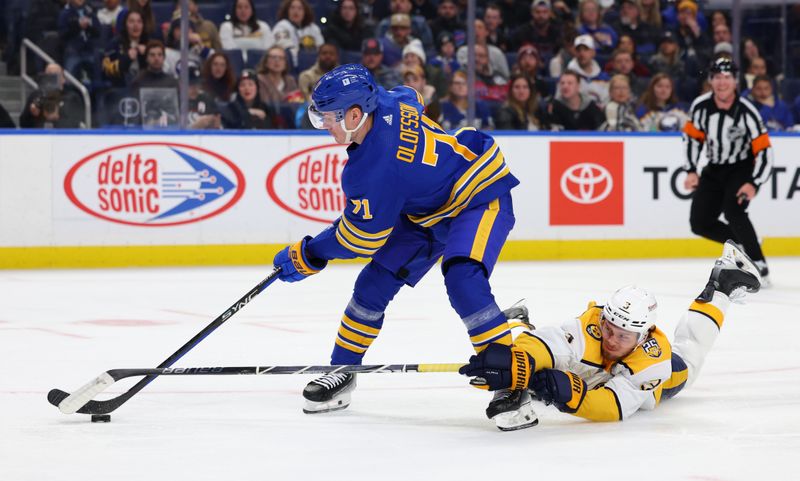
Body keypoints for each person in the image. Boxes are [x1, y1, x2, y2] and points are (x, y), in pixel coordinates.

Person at [272, 63, 523, 430]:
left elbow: (360, 238)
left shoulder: (370, 171)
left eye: (328, 118)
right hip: (429, 212)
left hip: (479, 195)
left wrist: (310, 253)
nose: (323, 125)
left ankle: (512, 380)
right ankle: (342, 368)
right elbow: (414, 96)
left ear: (356, 114)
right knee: (372, 285)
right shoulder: (392, 100)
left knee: (463, 279)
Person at [459, 241, 761, 427]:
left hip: (638, 383)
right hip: (595, 372)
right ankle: (520, 327)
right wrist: (519, 361)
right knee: (552, 364)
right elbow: (547, 344)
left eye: (623, 336)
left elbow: (616, 405)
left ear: (642, 337)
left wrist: (573, 396)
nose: (611, 340)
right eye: (609, 329)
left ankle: (720, 287)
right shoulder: (591, 326)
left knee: (689, 359)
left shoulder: (652, 361)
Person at [683, 57, 774, 284]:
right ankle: (746, 242)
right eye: (717, 78)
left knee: (734, 211)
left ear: (735, 82)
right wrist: (691, 169)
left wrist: (754, 182)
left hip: (741, 168)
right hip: (714, 168)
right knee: (699, 223)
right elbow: (692, 140)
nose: (722, 83)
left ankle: (758, 262)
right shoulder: (700, 107)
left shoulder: (747, 111)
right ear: (711, 81)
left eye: (727, 78)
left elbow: (764, 150)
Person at [58, 0, 101, 85]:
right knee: (70, 81)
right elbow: (62, 34)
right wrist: (78, 26)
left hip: (90, 50)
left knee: (96, 79)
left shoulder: (90, 11)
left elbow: (98, 32)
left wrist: (88, 27)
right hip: (73, 51)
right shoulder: (65, 13)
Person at [102, 10, 149, 87]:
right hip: (121, 88)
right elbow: (107, 70)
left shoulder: (149, 44)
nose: (136, 25)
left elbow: (158, 71)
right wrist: (127, 58)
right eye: (131, 21)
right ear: (125, 25)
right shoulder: (115, 43)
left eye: (139, 22)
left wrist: (146, 56)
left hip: (145, 88)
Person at [272, 0, 324, 65]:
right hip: (289, 64)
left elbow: (321, 48)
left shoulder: (313, 28)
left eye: (300, 8)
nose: (296, 11)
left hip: (313, 64)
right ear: (287, 11)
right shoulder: (281, 26)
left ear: (305, 11)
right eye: (292, 8)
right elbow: (287, 50)